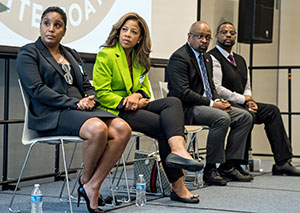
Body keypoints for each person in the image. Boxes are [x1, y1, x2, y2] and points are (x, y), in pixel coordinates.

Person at [16, 7, 132, 212]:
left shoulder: (71, 53)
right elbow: (37, 90)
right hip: (50, 113)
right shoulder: (29, 52)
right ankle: (87, 182)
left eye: (57, 25)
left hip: (80, 111)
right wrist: (74, 103)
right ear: (40, 25)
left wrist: (90, 98)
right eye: (46, 23)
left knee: (123, 128)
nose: (51, 29)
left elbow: (87, 85)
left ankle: (91, 184)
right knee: (97, 129)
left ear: (64, 30)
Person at [92, 12, 203, 204]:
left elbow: (143, 89)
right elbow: (101, 93)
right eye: (124, 30)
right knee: (164, 128)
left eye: (133, 32)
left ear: (139, 38)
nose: (127, 34)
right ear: (118, 32)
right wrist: (127, 100)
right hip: (116, 110)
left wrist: (138, 97)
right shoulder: (106, 54)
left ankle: (178, 150)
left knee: (173, 102)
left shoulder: (140, 58)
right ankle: (178, 186)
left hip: (135, 107)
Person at [166, 21, 254, 186]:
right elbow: (183, 93)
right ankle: (211, 169)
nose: (204, 41)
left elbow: (210, 86)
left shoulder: (206, 58)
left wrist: (219, 100)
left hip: (206, 104)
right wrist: (213, 104)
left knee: (245, 117)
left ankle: (229, 165)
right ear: (189, 36)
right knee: (221, 118)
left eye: (207, 37)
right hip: (186, 109)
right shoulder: (180, 58)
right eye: (200, 37)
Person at [209, 21, 300, 176]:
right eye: (224, 32)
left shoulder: (240, 59)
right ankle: (234, 163)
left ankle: (282, 162)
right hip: (224, 103)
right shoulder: (212, 57)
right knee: (248, 115)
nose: (228, 35)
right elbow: (217, 88)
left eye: (232, 33)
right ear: (216, 36)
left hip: (242, 101)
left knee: (272, 111)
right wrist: (243, 100)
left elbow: (247, 84)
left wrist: (250, 100)